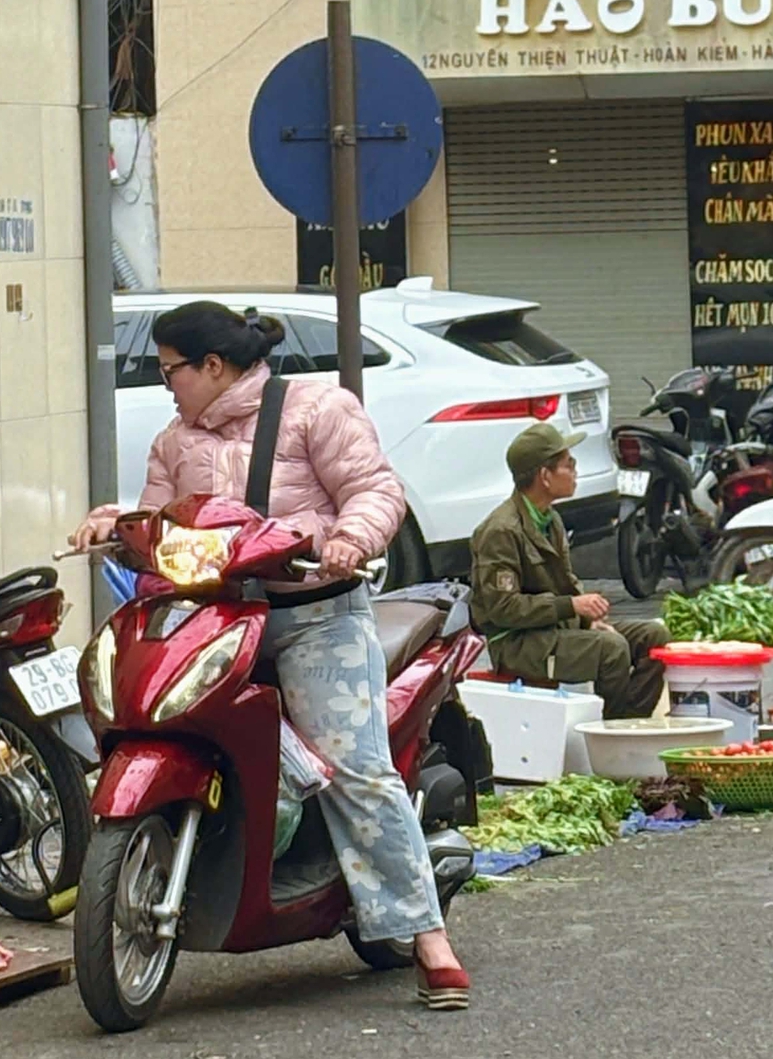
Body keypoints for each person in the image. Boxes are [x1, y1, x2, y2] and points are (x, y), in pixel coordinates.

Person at [72, 301, 470, 1011]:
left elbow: (377, 490)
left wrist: (351, 538)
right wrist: (115, 523)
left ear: (213, 366)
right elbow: (157, 521)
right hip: (218, 618)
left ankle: (427, 937)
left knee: (355, 766)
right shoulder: (174, 440)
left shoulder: (317, 409)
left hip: (315, 615)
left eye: (172, 372)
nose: (167, 386)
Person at [470, 424, 670, 718]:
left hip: (556, 630)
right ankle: (613, 736)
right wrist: (571, 606)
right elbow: (503, 609)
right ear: (545, 476)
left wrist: (586, 621)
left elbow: (567, 582)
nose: (575, 470)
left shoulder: (551, 520)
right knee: (611, 649)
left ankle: (630, 724)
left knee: (654, 636)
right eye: (569, 464)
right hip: (517, 643)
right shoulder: (501, 531)